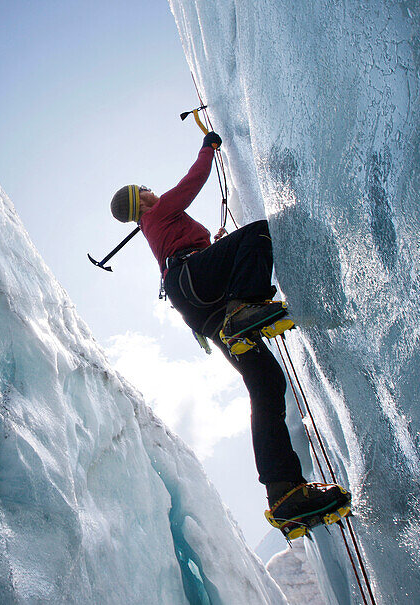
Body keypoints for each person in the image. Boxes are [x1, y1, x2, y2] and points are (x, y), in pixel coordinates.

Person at [108, 130, 349, 536]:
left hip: (201, 307)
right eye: (146, 189)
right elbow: (192, 182)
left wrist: (211, 252)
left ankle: (284, 493)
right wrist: (209, 146)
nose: (152, 191)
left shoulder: (155, 227)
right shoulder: (156, 211)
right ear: (143, 197)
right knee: (257, 233)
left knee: (267, 384)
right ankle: (245, 308)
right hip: (199, 286)